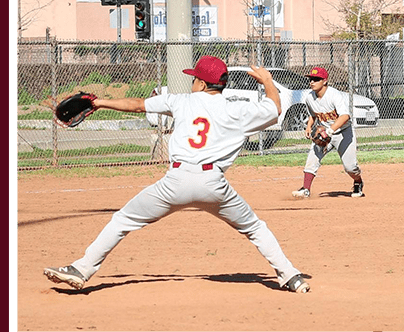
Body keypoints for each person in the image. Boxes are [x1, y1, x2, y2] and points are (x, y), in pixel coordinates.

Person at [44, 55, 310, 294]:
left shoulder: (180, 101)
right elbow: (275, 108)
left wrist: (100, 102)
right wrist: (267, 80)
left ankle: (82, 269)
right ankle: (291, 276)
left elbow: (138, 105)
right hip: (213, 184)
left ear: (204, 84)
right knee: (254, 228)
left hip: (175, 183)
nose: (192, 82)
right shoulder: (236, 110)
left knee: (122, 220)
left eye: (195, 78)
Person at [292, 67, 364, 198]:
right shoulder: (309, 98)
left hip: (344, 132)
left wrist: (330, 131)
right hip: (324, 133)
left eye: (316, 79)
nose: (312, 82)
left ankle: (358, 182)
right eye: (311, 79)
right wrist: (309, 127)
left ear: (324, 81)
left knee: (350, 167)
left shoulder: (334, 95)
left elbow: (345, 116)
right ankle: (305, 189)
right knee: (312, 159)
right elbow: (313, 115)